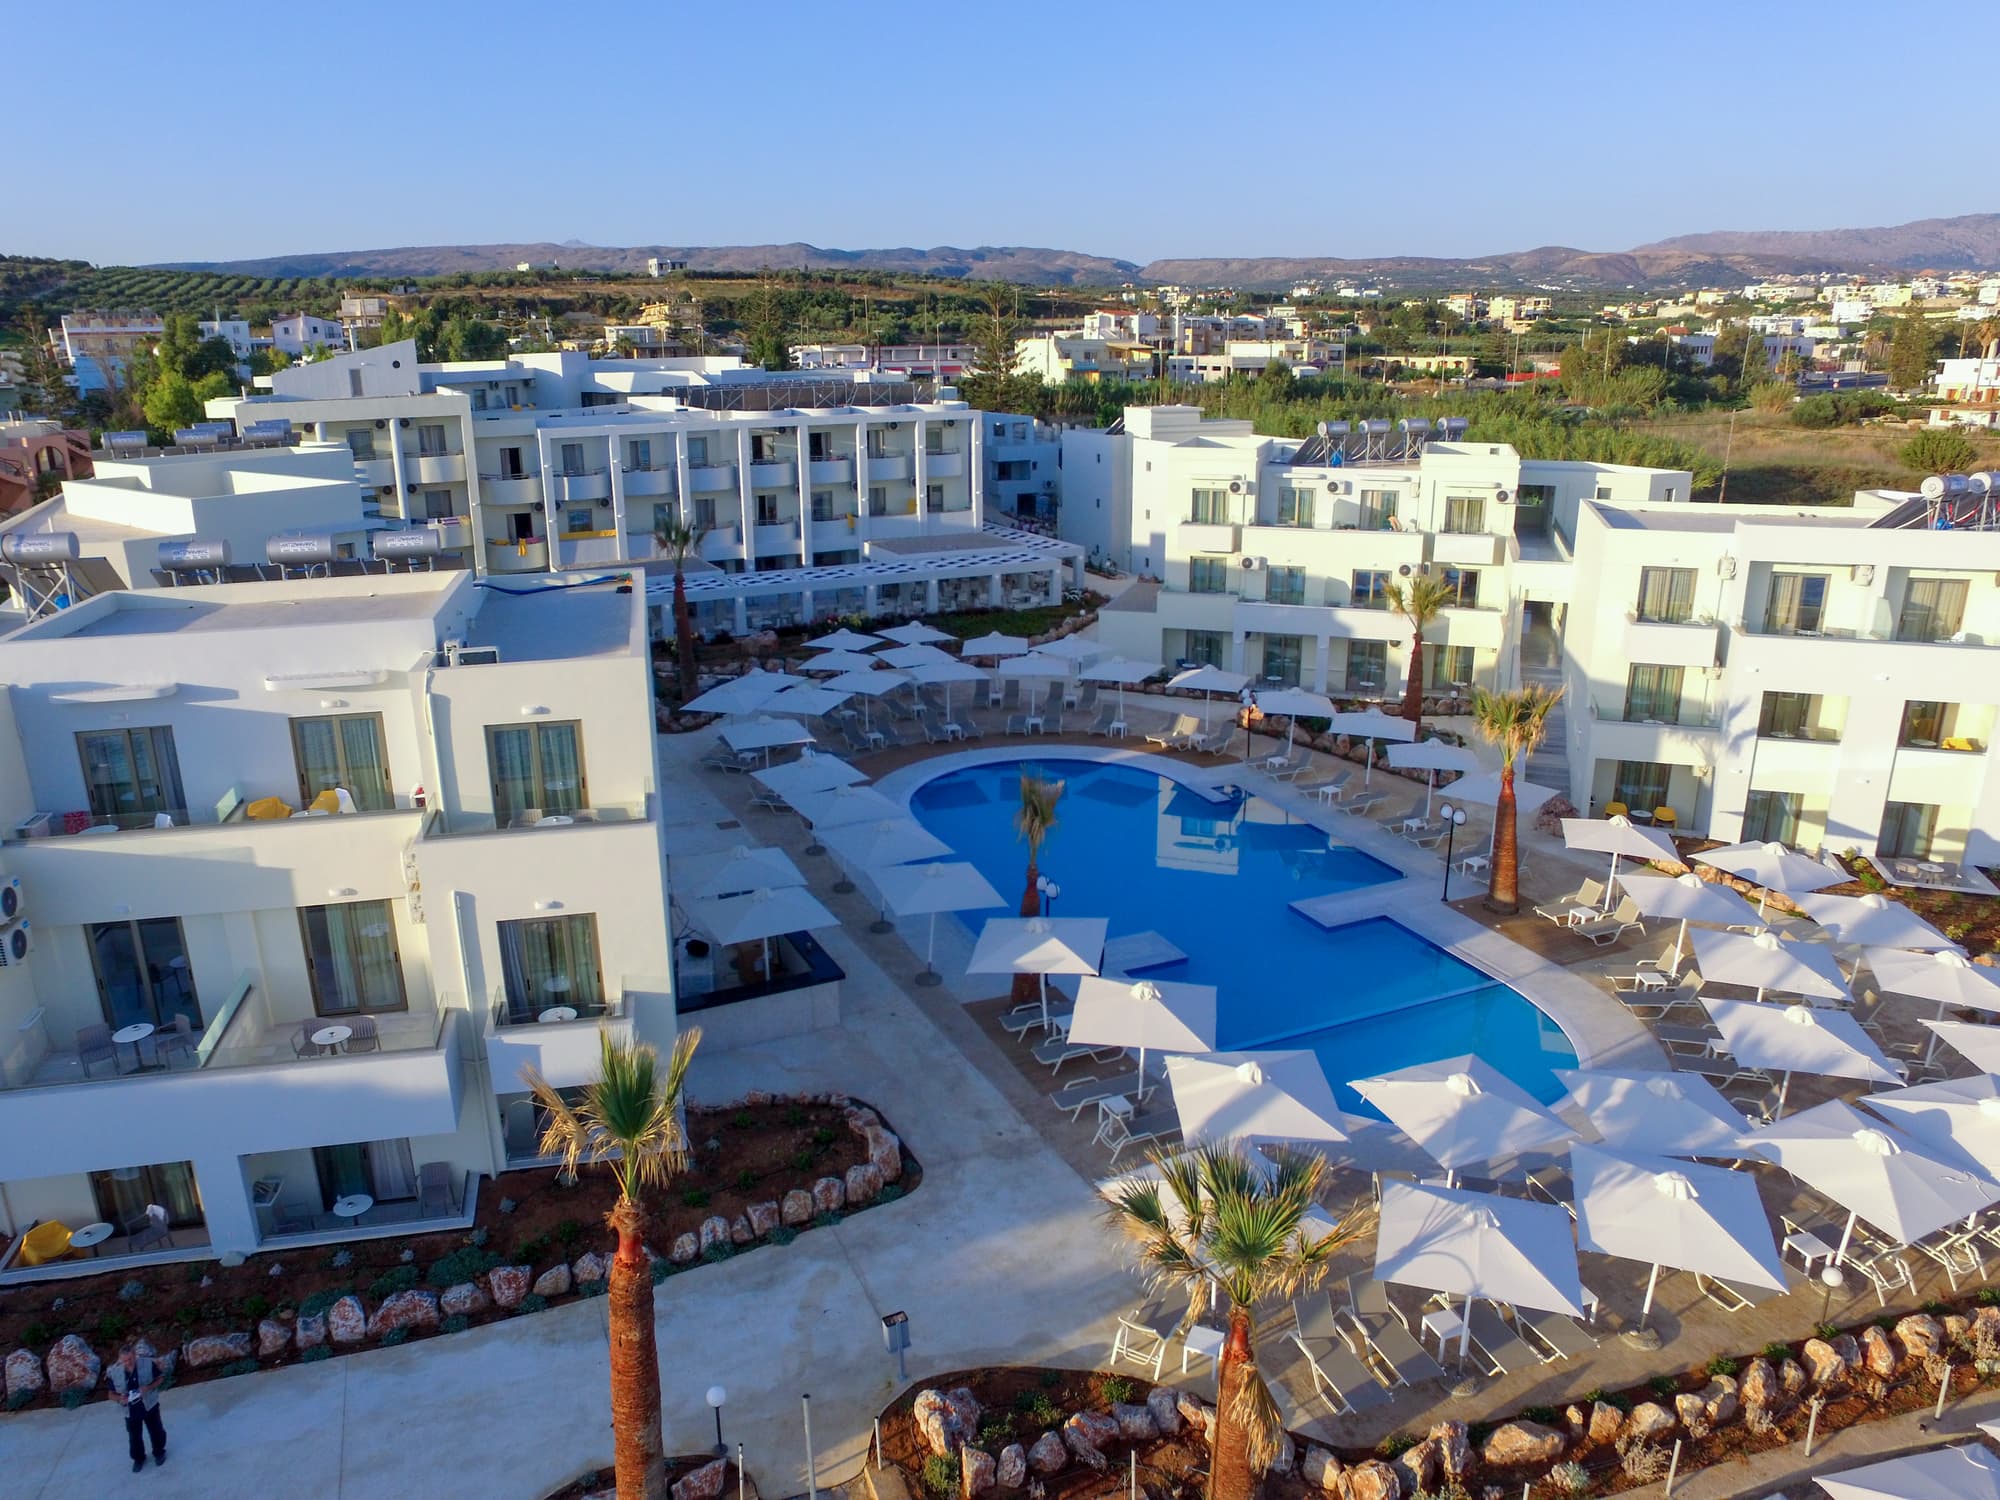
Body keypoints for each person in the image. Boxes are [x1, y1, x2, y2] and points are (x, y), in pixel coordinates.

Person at [106, 1342, 167, 1472]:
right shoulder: (115, 1372)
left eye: (130, 1359)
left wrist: (148, 1387)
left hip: (149, 1405)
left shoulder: (147, 1364)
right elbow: (110, 1394)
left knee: (156, 1430)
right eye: (125, 1360)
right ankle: (139, 1459)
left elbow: (160, 1378)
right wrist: (120, 1399)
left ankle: (159, 1452)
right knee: (134, 1437)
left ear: (135, 1355)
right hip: (130, 1410)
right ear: (120, 1360)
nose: (128, 1362)